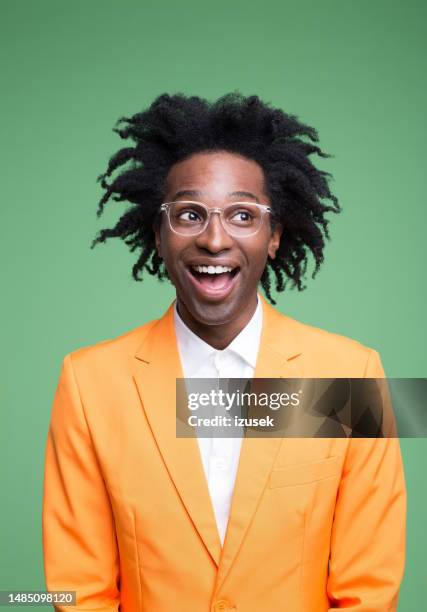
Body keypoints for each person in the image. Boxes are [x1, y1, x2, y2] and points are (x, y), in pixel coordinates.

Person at [42, 93, 406, 612]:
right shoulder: (88, 383)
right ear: (159, 235)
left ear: (274, 236)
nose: (215, 239)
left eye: (242, 215)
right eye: (189, 214)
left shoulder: (352, 375)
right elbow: (77, 590)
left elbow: (369, 590)